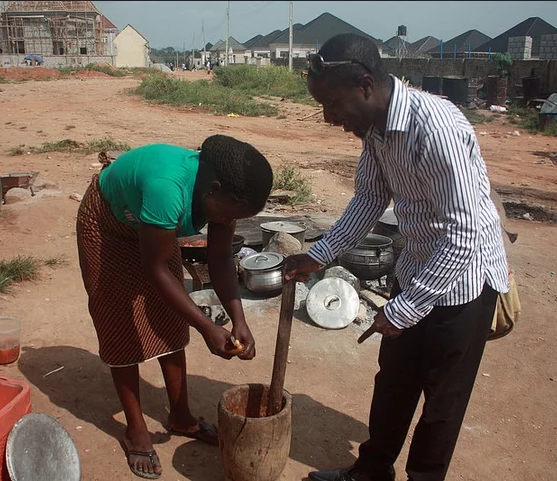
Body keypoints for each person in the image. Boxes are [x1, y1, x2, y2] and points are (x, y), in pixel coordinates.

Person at [282, 34, 509, 481]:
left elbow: (462, 233)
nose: (329, 119)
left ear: (366, 85)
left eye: (332, 104)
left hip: (465, 283)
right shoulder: (376, 131)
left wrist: (406, 308)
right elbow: (368, 198)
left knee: (441, 402)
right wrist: (320, 254)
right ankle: (371, 471)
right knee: (393, 384)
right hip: (417, 266)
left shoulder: (437, 128)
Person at [76, 135, 273, 479]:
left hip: (150, 224)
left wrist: (238, 318)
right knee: (120, 324)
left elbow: (221, 256)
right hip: (108, 225)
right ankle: (135, 429)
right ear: (212, 190)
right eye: (229, 215)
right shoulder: (168, 190)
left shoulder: (221, 195)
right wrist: (208, 326)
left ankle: (181, 417)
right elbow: (154, 269)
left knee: (170, 321)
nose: (228, 222)